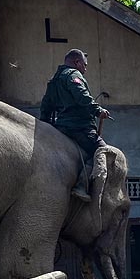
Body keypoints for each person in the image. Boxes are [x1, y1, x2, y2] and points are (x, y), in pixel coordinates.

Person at [40, 48, 111, 200]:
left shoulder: (54, 80)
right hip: (80, 127)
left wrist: (45, 125)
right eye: (84, 65)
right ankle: (81, 185)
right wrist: (98, 111)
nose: (85, 69)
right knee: (102, 151)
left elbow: (46, 105)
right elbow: (82, 96)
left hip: (60, 128)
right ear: (76, 62)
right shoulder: (73, 75)